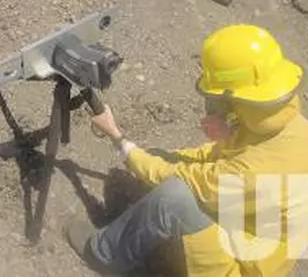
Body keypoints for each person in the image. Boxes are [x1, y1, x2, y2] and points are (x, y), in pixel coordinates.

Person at [66, 23, 308, 276]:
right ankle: (160, 236)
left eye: (218, 100)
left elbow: (187, 180)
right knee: (163, 160)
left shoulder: (254, 174)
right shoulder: (282, 124)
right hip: (246, 227)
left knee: (174, 196)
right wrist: (160, 156)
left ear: (234, 98)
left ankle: (103, 253)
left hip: (243, 267)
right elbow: (215, 157)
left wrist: (118, 137)